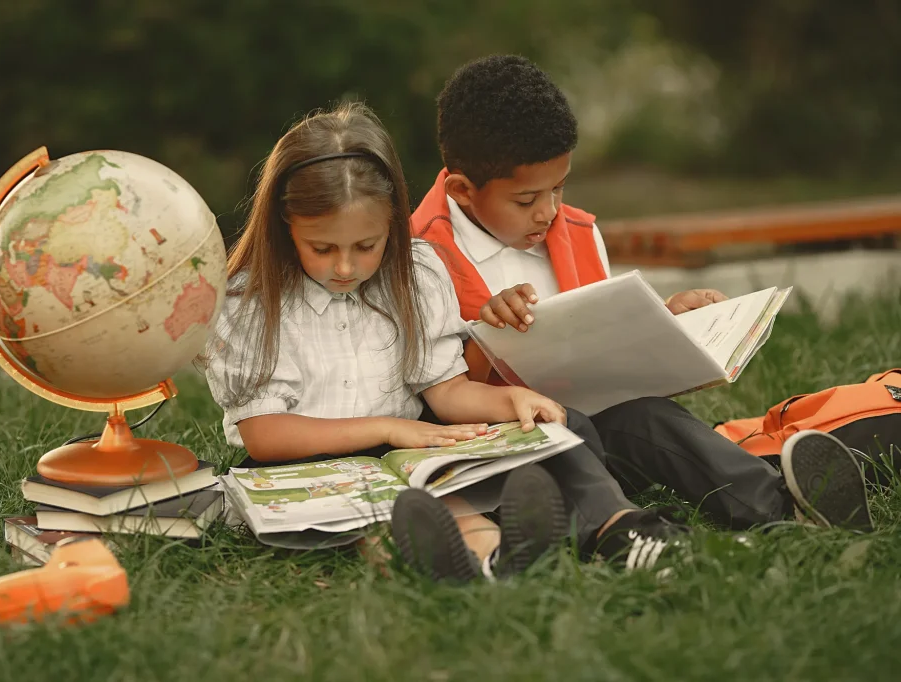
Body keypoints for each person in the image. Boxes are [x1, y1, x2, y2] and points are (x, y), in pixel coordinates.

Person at [410, 54, 874, 570]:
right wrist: (489, 333)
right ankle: (628, 533)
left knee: (647, 417)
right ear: (462, 192)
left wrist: (668, 325)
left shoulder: (578, 234)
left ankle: (783, 506)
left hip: (593, 428)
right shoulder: (420, 260)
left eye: (559, 189)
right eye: (526, 200)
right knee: (569, 425)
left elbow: (607, 341)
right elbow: (435, 389)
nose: (547, 211)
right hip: (500, 453)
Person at [202, 101, 572, 582]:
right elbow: (264, 434)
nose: (344, 267)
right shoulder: (250, 301)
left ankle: (498, 559)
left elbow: (447, 390)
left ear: (393, 226)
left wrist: (511, 400)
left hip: (400, 455)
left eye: (366, 246)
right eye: (322, 248)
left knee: (446, 500)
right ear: (284, 226)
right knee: (375, 517)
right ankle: (435, 565)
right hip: (299, 463)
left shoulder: (416, 275)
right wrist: (387, 428)